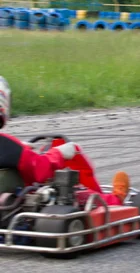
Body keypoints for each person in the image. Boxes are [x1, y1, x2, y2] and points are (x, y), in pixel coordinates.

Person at [0, 77, 129, 206]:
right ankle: (113, 202)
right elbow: (39, 170)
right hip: (13, 204)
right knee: (73, 194)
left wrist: (22, 149)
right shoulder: (7, 145)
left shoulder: (10, 146)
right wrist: (59, 153)